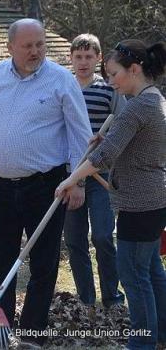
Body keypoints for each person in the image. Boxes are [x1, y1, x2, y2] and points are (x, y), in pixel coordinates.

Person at [0, 18, 93, 347]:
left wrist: (78, 181)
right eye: (28, 46)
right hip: (2, 185)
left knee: (43, 262)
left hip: (47, 186)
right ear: (10, 47)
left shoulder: (60, 80)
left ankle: (32, 334)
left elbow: (81, 134)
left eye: (40, 44)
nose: (35, 51)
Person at [56, 39, 166, 350]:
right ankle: (160, 335)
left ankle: (141, 343)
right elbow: (133, 145)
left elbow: (103, 156)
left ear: (134, 70)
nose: (112, 80)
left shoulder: (137, 106)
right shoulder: (155, 99)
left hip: (139, 204)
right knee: (151, 270)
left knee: (133, 276)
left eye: (115, 73)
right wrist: (107, 136)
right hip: (153, 200)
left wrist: (70, 181)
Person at [64, 33, 125, 309]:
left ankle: (111, 297)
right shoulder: (64, 89)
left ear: (98, 58)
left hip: (101, 176)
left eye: (89, 57)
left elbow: (123, 127)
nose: (84, 62)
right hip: (71, 175)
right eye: (78, 57)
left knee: (102, 236)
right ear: (71, 59)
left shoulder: (109, 90)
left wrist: (106, 141)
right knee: (75, 240)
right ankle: (86, 298)